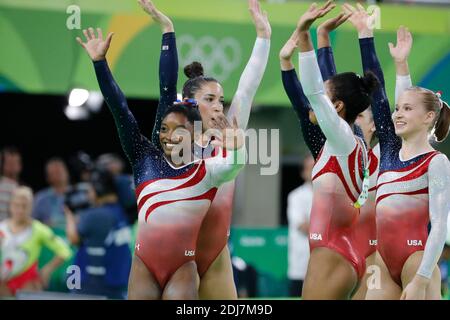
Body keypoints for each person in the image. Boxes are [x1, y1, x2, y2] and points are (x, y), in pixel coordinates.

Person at [76, 26, 246, 299]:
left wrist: (238, 149)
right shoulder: (144, 158)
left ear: (192, 132)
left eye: (176, 130)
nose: (167, 136)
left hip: (184, 268)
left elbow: (233, 167)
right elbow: (119, 108)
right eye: (163, 129)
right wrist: (100, 64)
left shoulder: (205, 171)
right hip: (144, 265)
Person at [138, 0, 270, 299]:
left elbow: (248, 88)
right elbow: (165, 86)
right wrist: (167, 29)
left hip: (216, 256)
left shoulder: (228, 132)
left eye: (220, 99)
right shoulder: (174, 141)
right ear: (188, 102)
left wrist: (263, 37)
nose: (218, 105)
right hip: (174, 256)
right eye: (209, 98)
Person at [351, 4, 450, 299]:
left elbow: (440, 224)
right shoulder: (390, 151)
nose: (398, 114)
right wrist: (366, 36)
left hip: (417, 261)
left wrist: (421, 279)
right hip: (382, 261)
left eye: (408, 109)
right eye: (398, 109)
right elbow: (378, 95)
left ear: (429, 117)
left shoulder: (436, 162)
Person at [294, 1, 380, 299]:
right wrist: (323, 38)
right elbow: (329, 88)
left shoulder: (344, 139)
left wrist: (303, 33)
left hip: (332, 252)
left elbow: (316, 92)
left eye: (327, 101)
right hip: (339, 252)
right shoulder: (348, 139)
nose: (315, 107)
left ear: (338, 108)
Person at [65, 168, 132, 299]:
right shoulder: (121, 211)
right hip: (116, 284)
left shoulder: (96, 215)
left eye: (90, 189)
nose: (88, 194)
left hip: (92, 286)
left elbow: (74, 239)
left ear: (99, 189)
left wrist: (69, 216)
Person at [0, 186, 72, 297]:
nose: (20, 210)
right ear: (10, 205)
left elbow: (64, 251)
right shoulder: (2, 228)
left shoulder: (38, 229)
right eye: (16, 205)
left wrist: (47, 270)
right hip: (4, 285)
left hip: (27, 284)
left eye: (24, 206)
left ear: (31, 207)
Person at [286, 154, 314, 297]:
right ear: (303, 172)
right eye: (310, 168)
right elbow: (303, 227)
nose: (314, 171)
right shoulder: (295, 196)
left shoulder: (333, 196)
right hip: (300, 267)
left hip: (325, 267)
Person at [32, 158, 71, 230]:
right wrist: (45, 225)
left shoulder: (77, 193)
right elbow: (33, 222)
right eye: (55, 172)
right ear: (48, 178)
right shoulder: (41, 198)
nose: (59, 174)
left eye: (61, 171)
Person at [0, 146, 22, 221]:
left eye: (15, 163)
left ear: (20, 166)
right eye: (9, 163)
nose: (12, 166)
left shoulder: (21, 188)